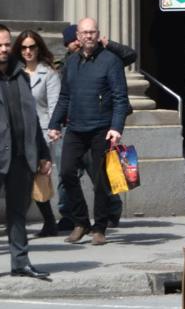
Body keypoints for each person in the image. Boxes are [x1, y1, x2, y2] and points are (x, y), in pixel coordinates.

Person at [47, 18, 129, 246]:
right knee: (65, 173)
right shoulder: (71, 62)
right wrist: (54, 124)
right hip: (75, 127)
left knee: (102, 181)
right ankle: (81, 222)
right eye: (84, 33)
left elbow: (120, 97)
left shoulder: (111, 61)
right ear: (79, 37)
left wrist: (116, 128)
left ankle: (100, 227)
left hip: (102, 129)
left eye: (93, 32)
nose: (89, 36)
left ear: (98, 34)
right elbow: (64, 97)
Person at [0, 24, 54, 278]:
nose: (3, 49)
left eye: (6, 44)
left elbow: (32, 117)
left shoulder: (20, 75)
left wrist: (43, 154)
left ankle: (20, 263)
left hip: (21, 156)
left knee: (18, 212)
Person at [16, 30, 61, 237]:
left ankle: (47, 221)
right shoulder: (13, 72)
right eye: (24, 47)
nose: (28, 51)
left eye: (31, 47)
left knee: (36, 178)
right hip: (16, 132)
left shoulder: (48, 74)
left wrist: (53, 131)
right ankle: (37, 222)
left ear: (38, 48)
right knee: (20, 178)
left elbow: (54, 107)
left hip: (40, 132)